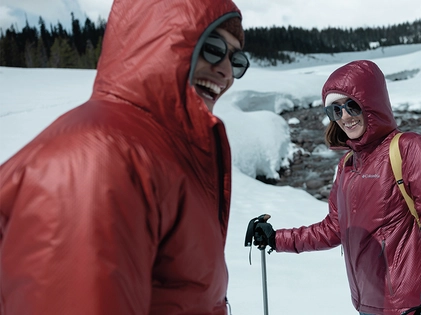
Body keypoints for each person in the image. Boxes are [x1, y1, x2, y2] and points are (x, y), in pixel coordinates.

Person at [0, 0, 249, 314]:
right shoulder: (97, 160)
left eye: (237, 59)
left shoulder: (166, 151)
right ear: (159, 43)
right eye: (212, 47)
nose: (226, 71)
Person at [252, 60, 421, 315]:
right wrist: (277, 238)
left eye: (352, 105)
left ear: (371, 103)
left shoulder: (409, 148)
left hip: (413, 306)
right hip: (366, 305)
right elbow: (333, 229)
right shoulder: (347, 165)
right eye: (335, 111)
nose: (345, 117)